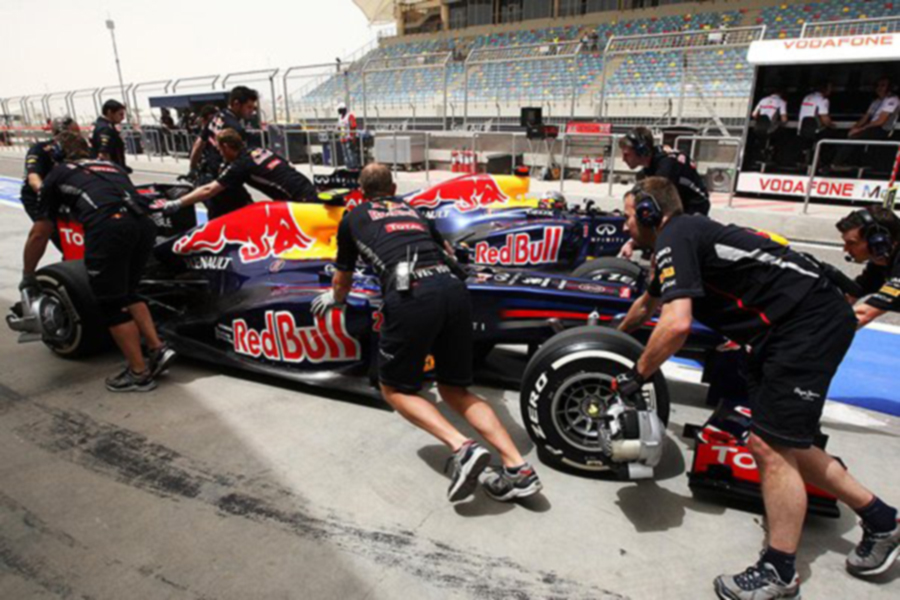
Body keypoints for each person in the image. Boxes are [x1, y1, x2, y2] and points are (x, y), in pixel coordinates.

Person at [614, 177, 899, 599]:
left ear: (650, 213)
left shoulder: (677, 234)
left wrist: (637, 375)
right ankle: (882, 520)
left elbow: (676, 324)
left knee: (769, 445)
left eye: (628, 216)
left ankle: (779, 572)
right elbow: (647, 305)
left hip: (805, 326)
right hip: (789, 327)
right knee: (786, 441)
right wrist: (613, 339)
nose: (625, 226)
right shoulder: (681, 237)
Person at [312, 163, 542, 503]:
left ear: (360, 192)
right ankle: (518, 468)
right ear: (393, 189)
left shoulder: (353, 217)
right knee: (454, 389)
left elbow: (342, 276)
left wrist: (336, 298)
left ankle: (462, 448)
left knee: (394, 389)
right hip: (453, 291)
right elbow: (448, 255)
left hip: (412, 295)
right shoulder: (413, 211)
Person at [20, 132, 176, 392]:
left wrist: (28, 273)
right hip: (144, 225)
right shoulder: (110, 166)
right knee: (129, 291)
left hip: (109, 228)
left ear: (58, 154)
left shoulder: (57, 174)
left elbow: (40, 232)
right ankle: (157, 349)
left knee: (111, 302)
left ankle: (138, 373)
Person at [154, 128, 317, 213]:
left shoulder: (240, 164)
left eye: (220, 150)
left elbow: (209, 190)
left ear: (226, 146)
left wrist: (177, 203)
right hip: (309, 190)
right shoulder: (258, 150)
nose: (220, 154)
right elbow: (290, 166)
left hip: (300, 203)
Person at [617, 126, 710, 258]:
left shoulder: (666, 167)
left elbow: (659, 207)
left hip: (694, 207)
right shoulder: (650, 167)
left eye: (627, 154)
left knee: (666, 247)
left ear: (642, 151)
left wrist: (633, 241)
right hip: (680, 202)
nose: (623, 159)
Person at [188, 87, 259, 219]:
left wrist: (192, 169)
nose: (251, 111)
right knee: (248, 213)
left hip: (207, 176)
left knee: (218, 217)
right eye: (249, 107)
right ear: (236, 103)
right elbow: (239, 160)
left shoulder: (216, 117)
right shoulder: (235, 129)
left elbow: (199, 144)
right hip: (223, 181)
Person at [837, 206, 900, 329]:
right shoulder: (881, 260)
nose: (845, 249)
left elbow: (863, 314)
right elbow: (851, 294)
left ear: (878, 241)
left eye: (852, 243)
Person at [20, 116, 80, 227]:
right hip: (40, 198)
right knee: (48, 229)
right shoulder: (40, 149)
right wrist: (50, 197)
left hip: (66, 195)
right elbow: (34, 180)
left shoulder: (81, 151)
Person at [833, 77, 900, 168]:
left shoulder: (892, 100)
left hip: (883, 129)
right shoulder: (876, 101)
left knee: (856, 136)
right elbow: (865, 117)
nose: (879, 88)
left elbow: (880, 121)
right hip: (871, 128)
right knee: (843, 135)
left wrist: (860, 129)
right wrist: (854, 127)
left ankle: (837, 163)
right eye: (878, 86)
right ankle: (846, 163)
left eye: (883, 85)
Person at [91, 99, 129, 171]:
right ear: (109, 112)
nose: (123, 118)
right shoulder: (105, 129)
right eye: (120, 114)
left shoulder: (99, 124)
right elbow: (103, 154)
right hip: (110, 171)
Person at [336, 102, 359, 169]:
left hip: (349, 138)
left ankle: (353, 166)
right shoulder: (340, 118)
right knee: (345, 154)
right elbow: (339, 127)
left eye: (340, 109)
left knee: (350, 153)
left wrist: (353, 138)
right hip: (343, 138)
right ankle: (348, 166)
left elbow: (353, 127)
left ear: (343, 109)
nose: (339, 111)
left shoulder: (350, 116)